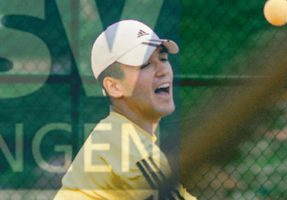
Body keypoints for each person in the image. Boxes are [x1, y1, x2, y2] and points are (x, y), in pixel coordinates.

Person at [55, 19, 196, 200]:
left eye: (163, 58)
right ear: (114, 86)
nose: (163, 70)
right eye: (145, 64)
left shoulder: (119, 136)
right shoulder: (125, 144)